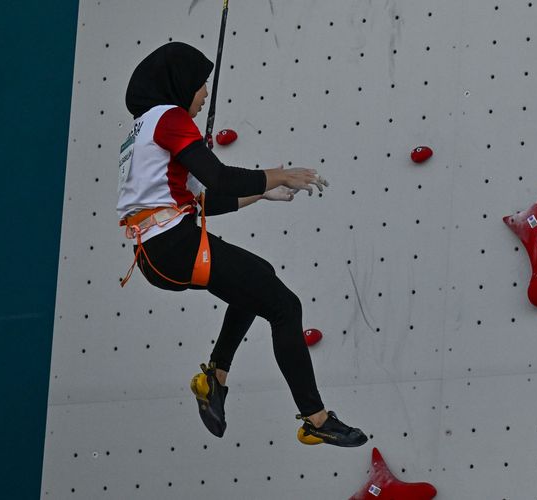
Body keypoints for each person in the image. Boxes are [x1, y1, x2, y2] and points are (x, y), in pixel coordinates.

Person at [117, 41, 367, 448]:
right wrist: (277, 175)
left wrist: (262, 194)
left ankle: (216, 378)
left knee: (256, 283)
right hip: (173, 245)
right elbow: (217, 177)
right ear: (181, 85)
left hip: (156, 252)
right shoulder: (170, 117)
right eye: (202, 87)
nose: (203, 98)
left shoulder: (142, 129)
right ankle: (316, 418)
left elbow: (203, 198)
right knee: (285, 306)